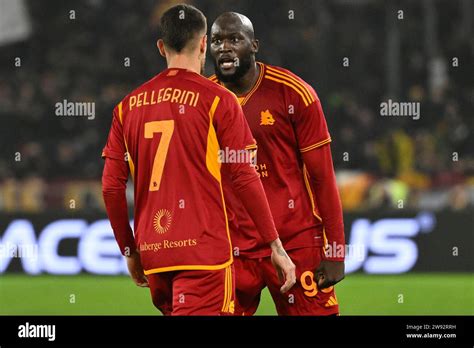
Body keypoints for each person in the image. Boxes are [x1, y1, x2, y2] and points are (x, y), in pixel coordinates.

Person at [101, 4, 295, 316]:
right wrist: (275, 244)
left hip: (154, 254)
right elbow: (244, 176)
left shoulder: (126, 107)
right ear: (204, 43)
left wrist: (130, 249)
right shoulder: (218, 99)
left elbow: (111, 188)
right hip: (203, 254)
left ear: (161, 46)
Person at [209, 12, 345, 315]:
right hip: (232, 249)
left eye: (234, 39)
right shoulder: (204, 99)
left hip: (296, 241)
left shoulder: (294, 93)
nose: (224, 48)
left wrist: (335, 250)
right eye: (217, 40)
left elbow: (322, 177)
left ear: (254, 44)